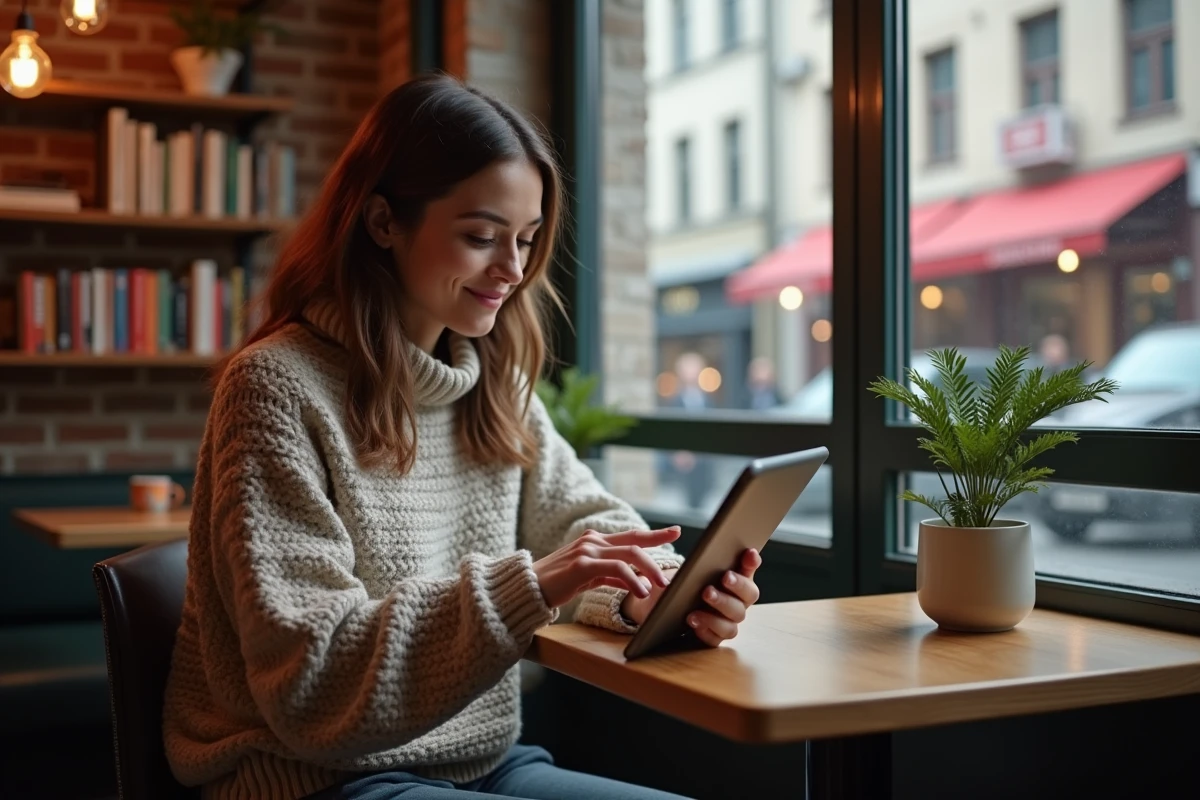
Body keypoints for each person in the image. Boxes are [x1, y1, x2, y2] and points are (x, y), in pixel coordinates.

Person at [161, 74, 763, 800]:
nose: (512, 270)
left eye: (527, 239)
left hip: (483, 762)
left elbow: (587, 525)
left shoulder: (491, 384)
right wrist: (536, 583)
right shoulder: (274, 387)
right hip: (309, 779)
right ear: (383, 222)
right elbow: (311, 681)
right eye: (481, 237)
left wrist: (649, 596)